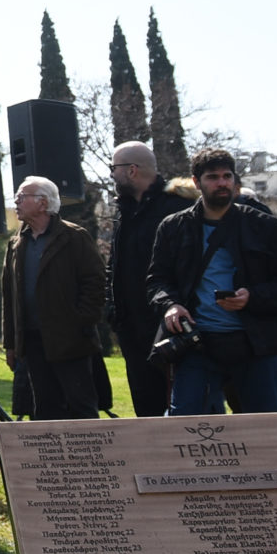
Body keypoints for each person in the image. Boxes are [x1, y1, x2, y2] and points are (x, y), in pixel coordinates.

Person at [148, 148, 277, 416]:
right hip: (197, 343)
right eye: (212, 177)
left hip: (257, 345)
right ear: (196, 182)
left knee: (265, 429)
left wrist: (252, 297)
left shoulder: (265, 226)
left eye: (226, 176)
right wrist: (171, 305)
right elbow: (157, 281)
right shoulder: (173, 227)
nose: (221, 183)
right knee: (184, 425)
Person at [0, 177, 107, 422]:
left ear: (43, 203)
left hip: (71, 340)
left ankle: (92, 459)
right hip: (33, 341)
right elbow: (9, 295)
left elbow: (96, 282)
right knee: (45, 409)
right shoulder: (16, 243)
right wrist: (12, 343)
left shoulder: (74, 237)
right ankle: (54, 460)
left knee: (81, 406)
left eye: (22, 196)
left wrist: (80, 322)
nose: (16, 201)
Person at [108, 142, 195, 417]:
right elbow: (117, 268)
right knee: (147, 412)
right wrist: (114, 313)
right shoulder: (124, 212)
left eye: (114, 168)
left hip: (172, 329)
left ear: (132, 170)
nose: (111, 175)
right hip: (133, 331)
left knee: (187, 412)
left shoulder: (178, 208)